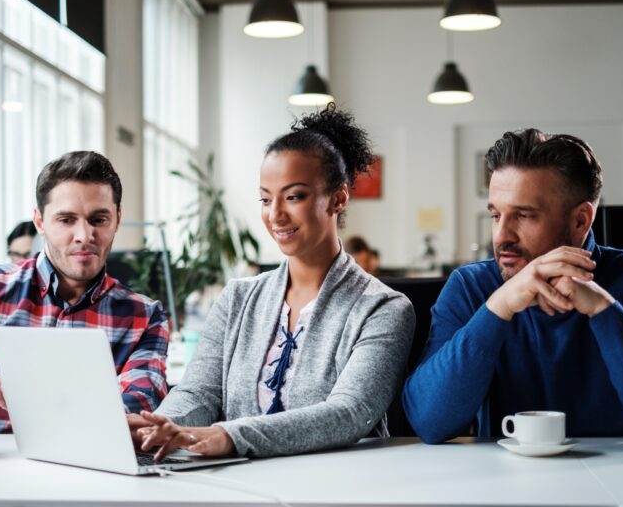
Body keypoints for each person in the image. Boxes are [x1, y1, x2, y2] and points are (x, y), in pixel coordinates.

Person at [135, 104, 415, 459]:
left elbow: (349, 413)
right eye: (265, 199)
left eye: (294, 196)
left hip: (337, 486)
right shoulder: (238, 297)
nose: (275, 214)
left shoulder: (383, 308)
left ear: (339, 198)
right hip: (240, 485)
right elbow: (198, 393)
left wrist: (230, 436)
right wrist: (157, 428)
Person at [403, 128, 623, 448]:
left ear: (581, 221)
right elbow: (429, 421)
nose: (502, 236)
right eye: (496, 215)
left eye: (524, 216)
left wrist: (603, 310)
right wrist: (499, 306)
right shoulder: (471, 286)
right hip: (509, 484)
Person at [0, 151, 169, 455]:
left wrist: (45, 400)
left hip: (92, 482)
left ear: (117, 219)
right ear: (40, 221)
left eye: (99, 219)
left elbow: (136, 421)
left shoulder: (144, 317)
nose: (84, 235)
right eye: (66, 220)